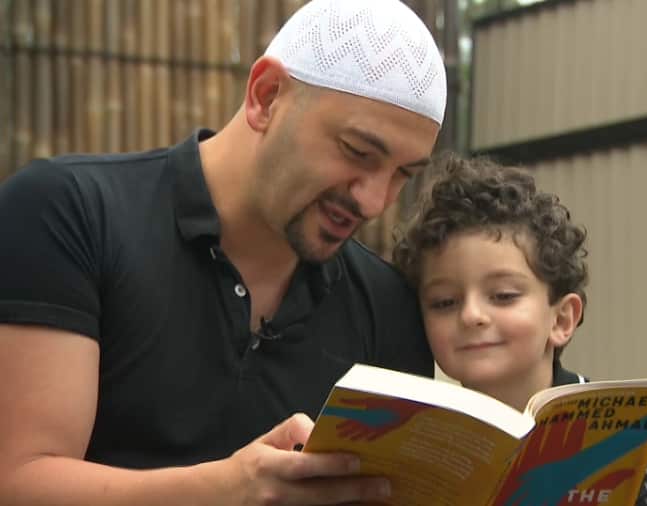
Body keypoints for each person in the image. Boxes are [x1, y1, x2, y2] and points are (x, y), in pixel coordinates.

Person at [0, 0, 447, 504]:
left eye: (403, 175)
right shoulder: (71, 212)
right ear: (266, 95)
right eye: (358, 152)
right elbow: (18, 482)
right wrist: (226, 489)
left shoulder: (388, 304)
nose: (374, 200)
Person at [393, 154, 647, 505]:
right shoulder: (413, 445)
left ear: (562, 320)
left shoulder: (628, 436)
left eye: (503, 296)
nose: (471, 315)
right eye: (444, 302)